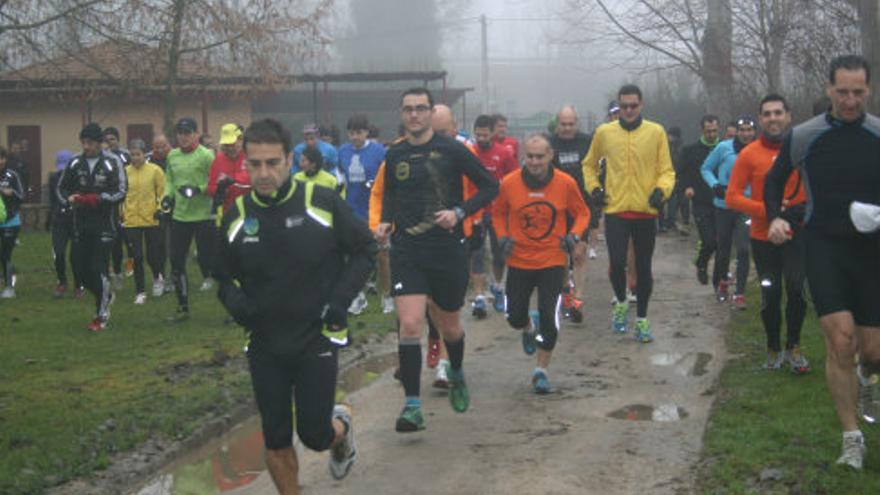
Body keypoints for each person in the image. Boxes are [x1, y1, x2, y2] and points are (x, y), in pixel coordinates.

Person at [215, 118, 375, 493]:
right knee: (275, 437)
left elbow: (365, 249)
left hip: (315, 336)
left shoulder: (319, 202)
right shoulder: (238, 215)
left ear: (290, 160)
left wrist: (339, 302)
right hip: (266, 342)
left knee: (315, 434)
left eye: (272, 163)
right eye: (254, 164)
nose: (263, 173)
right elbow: (221, 275)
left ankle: (341, 431)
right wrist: (235, 300)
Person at [763, 55, 880, 470]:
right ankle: (852, 438)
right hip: (823, 246)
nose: (850, 100)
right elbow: (774, 181)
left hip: (871, 252)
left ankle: (868, 378)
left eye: (858, 92)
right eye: (843, 91)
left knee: (873, 351)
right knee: (840, 340)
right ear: (829, 89)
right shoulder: (804, 136)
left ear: (868, 90)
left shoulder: (876, 133)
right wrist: (775, 216)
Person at [376, 87, 497, 432]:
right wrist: (385, 221)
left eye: (421, 108)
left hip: (446, 249)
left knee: (450, 328)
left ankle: (456, 371)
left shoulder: (452, 150)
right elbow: (390, 194)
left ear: (430, 113)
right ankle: (412, 405)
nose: (414, 115)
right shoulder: (395, 154)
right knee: (411, 325)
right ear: (402, 114)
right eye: (408, 109)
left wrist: (460, 212)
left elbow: (490, 186)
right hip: (407, 249)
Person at [493, 134, 590, 393]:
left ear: (550, 157)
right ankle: (527, 326)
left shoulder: (565, 183)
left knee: (550, 317)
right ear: (524, 157)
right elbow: (498, 212)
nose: (534, 162)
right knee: (513, 316)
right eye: (530, 156)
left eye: (540, 156)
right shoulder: (510, 183)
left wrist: (574, 236)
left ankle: (541, 370)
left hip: (552, 260)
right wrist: (502, 237)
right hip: (520, 260)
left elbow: (582, 213)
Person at [582, 84, 675, 342]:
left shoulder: (655, 132)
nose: (629, 110)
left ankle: (643, 320)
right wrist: (595, 189)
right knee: (616, 262)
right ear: (618, 108)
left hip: (645, 210)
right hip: (616, 208)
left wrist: (661, 191)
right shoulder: (605, 132)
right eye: (624, 106)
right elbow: (588, 165)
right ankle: (621, 302)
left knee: (643, 268)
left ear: (641, 105)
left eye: (634, 105)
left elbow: (667, 170)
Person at [725, 94, 809, 375]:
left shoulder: (802, 149)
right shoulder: (749, 154)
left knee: (796, 290)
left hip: (797, 235)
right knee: (770, 295)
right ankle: (773, 348)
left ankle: (793, 347)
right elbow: (733, 197)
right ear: (760, 119)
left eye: (778, 113)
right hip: (763, 237)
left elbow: (815, 188)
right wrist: (768, 211)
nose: (773, 118)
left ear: (789, 116)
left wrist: (796, 212)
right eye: (767, 114)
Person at [57, 123, 126, 331]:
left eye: (90, 143)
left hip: (105, 224)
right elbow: (61, 188)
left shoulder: (113, 161)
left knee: (98, 268)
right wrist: (68, 199)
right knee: (80, 269)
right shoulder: (75, 162)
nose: (86, 147)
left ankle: (101, 314)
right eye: (83, 142)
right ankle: (106, 295)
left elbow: (122, 191)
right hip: (80, 224)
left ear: (99, 143)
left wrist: (100, 199)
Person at [163, 117, 217, 321]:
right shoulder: (172, 156)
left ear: (196, 134)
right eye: (180, 133)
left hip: (204, 215)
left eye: (188, 133)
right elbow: (170, 179)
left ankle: (228, 302)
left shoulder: (206, 155)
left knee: (208, 260)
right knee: (177, 262)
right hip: (181, 216)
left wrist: (199, 189)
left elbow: (214, 183)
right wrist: (167, 197)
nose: (184, 137)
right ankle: (183, 306)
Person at [701, 116, 756, 308]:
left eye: (750, 130)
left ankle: (740, 293)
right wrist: (714, 184)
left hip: (746, 207)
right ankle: (723, 282)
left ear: (754, 132)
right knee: (723, 249)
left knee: (742, 249)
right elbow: (706, 168)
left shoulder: (757, 150)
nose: (746, 134)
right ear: (737, 132)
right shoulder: (723, 148)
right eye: (743, 130)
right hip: (723, 206)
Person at [469, 114, 520, 318]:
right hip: (476, 211)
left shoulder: (504, 153)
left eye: (485, 135)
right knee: (477, 253)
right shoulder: (470, 153)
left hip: (498, 212)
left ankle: (498, 286)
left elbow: (515, 178)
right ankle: (479, 297)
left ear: (492, 133)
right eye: (478, 135)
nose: (481, 139)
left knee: (499, 254)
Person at [338, 114, 387, 315]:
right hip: (352, 210)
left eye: (358, 132)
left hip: (374, 210)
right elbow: (340, 176)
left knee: (382, 256)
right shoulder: (343, 151)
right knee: (354, 256)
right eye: (351, 133)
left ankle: (387, 296)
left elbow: (386, 177)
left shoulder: (378, 151)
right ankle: (358, 296)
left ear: (366, 132)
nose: (354, 137)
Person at [550, 105, 593, 322]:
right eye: (563, 124)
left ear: (577, 123)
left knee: (579, 253)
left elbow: (597, 170)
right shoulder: (549, 144)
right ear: (557, 124)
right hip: (555, 210)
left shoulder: (587, 142)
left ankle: (578, 299)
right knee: (558, 258)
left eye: (571, 124)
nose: (567, 128)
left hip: (580, 208)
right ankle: (565, 290)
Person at [122, 139, 166, 303]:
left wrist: (160, 209)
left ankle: (157, 277)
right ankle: (140, 291)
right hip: (131, 220)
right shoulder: (125, 172)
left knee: (152, 255)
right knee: (136, 256)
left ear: (144, 154)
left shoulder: (155, 171)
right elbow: (122, 195)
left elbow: (163, 192)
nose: (135, 158)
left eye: (138, 154)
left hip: (151, 219)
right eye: (132, 155)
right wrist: (122, 213)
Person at [679, 115, 721, 286]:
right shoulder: (691, 150)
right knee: (709, 240)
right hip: (700, 201)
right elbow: (681, 173)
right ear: (702, 130)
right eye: (708, 131)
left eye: (714, 131)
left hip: (722, 202)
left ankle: (721, 278)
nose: (711, 134)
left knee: (721, 243)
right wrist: (686, 187)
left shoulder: (725, 148)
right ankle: (702, 264)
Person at [48, 150, 83, 298]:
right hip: (60, 221)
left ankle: (78, 285)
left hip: (76, 220)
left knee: (76, 256)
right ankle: (62, 282)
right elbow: (52, 199)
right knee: (59, 252)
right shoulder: (53, 178)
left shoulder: (79, 178)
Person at [104, 127, 131, 288]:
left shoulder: (125, 156)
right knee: (115, 240)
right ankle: (116, 271)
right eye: (106, 140)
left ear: (118, 140)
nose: (109, 143)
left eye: (112, 139)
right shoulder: (102, 159)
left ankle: (131, 266)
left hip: (129, 203)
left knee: (131, 242)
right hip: (112, 205)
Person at [207, 123, 250, 216]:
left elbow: (253, 177)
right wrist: (220, 190)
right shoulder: (218, 160)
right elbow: (210, 187)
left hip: (250, 209)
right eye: (226, 145)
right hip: (227, 212)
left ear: (240, 140)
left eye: (233, 144)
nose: (230, 148)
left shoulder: (250, 156)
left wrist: (232, 179)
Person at [0, 146, 24, 298]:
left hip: (10, 222)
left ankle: (9, 288)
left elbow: (21, 195)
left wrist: (11, 192)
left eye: (2, 158)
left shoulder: (12, 175)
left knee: (5, 255)